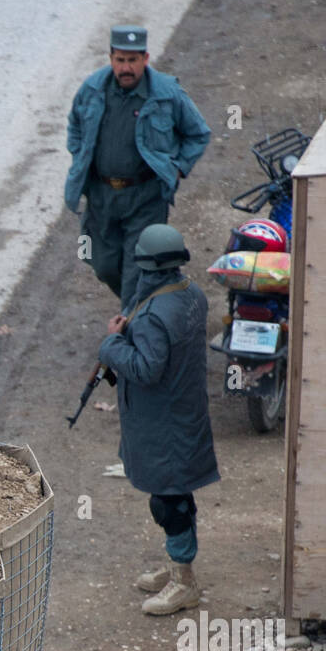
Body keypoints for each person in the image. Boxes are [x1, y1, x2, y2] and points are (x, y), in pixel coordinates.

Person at [97, 224, 218, 615]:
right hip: (185, 414)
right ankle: (177, 567)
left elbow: (146, 369)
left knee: (170, 502)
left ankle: (185, 584)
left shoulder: (152, 314)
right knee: (176, 493)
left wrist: (112, 343)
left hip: (163, 424)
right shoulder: (192, 295)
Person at [66, 26, 211, 309]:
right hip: (102, 196)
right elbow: (75, 127)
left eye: (133, 60)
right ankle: (149, 307)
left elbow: (198, 133)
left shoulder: (166, 93)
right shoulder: (93, 89)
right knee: (104, 265)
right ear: (111, 58)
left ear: (145, 58)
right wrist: (80, 157)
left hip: (146, 197)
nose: (126, 67)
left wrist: (179, 167)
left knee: (137, 270)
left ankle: (132, 335)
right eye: (120, 60)